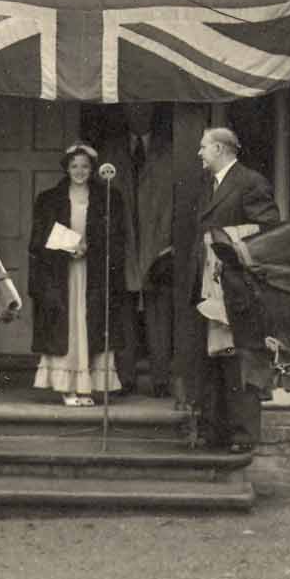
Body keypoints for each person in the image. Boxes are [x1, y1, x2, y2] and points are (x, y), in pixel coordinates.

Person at [196, 126, 280, 452]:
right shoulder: (209, 185)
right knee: (216, 358)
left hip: (239, 285)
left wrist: (224, 243)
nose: (200, 153)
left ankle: (243, 436)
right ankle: (215, 432)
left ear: (219, 149)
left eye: (203, 147)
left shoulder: (250, 182)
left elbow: (268, 231)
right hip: (212, 284)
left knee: (240, 359)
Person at [28, 142, 126, 406]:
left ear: (92, 169)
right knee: (68, 325)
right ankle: (67, 387)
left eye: (85, 166)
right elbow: (38, 238)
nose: (80, 171)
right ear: (67, 168)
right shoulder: (49, 199)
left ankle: (87, 388)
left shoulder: (108, 198)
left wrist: (91, 247)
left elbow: (117, 237)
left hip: (94, 273)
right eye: (74, 166)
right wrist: (68, 247)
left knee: (90, 324)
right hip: (62, 274)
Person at [98, 102, 176, 398]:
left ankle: (161, 380)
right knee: (122, 316)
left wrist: (172, 243)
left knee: (160, 316)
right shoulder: (110, 151)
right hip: (124, 247)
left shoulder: (170, 151)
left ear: (153, 112)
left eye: (144, 109)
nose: (138, 114)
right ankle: (125, 378)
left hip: (159, 246)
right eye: (132, 109)